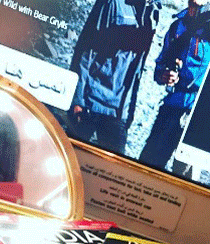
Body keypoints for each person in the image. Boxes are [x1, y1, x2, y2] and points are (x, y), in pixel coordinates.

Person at [138, 0, 210, 176]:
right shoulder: (178, 26)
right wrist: (164, 75)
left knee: (184, 178)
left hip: (199, 114)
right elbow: (160, 65)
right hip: (172, 107)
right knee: (147, 168)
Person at [68, 0, 161, 154]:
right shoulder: (112, 3)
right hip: (91, 103)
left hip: (120, 112)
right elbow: (85, 51)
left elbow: (137, 68)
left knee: (113, 167)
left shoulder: (153, 11)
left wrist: (129, 112)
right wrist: (77, 100)